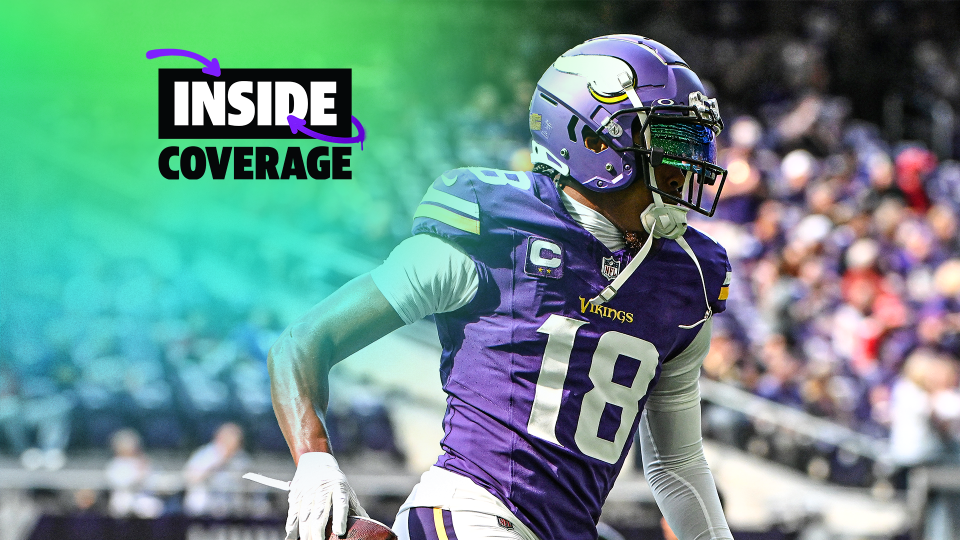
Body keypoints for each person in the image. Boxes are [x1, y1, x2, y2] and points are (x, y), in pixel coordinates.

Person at [264, 35, 733, 540]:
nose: (690, 167)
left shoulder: (687, 275)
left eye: (695, 146)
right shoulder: (495, 227)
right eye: (671, 144)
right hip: (470, 513)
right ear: (595, 141)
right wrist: (314, 462)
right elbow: (304, 342)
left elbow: (677, 465)